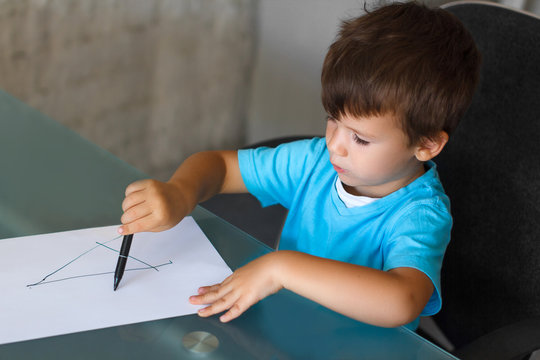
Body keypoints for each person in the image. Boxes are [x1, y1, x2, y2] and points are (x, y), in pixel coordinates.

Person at [118, 2, 481, 330]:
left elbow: (402, 301)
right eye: (332, 120)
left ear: (427, 144)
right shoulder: (315, 162)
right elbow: (220, 167)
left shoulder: (419, 214)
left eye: (360, 138)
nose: (334, 145)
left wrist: (282, 267)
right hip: (288, 328)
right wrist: (181, 191)